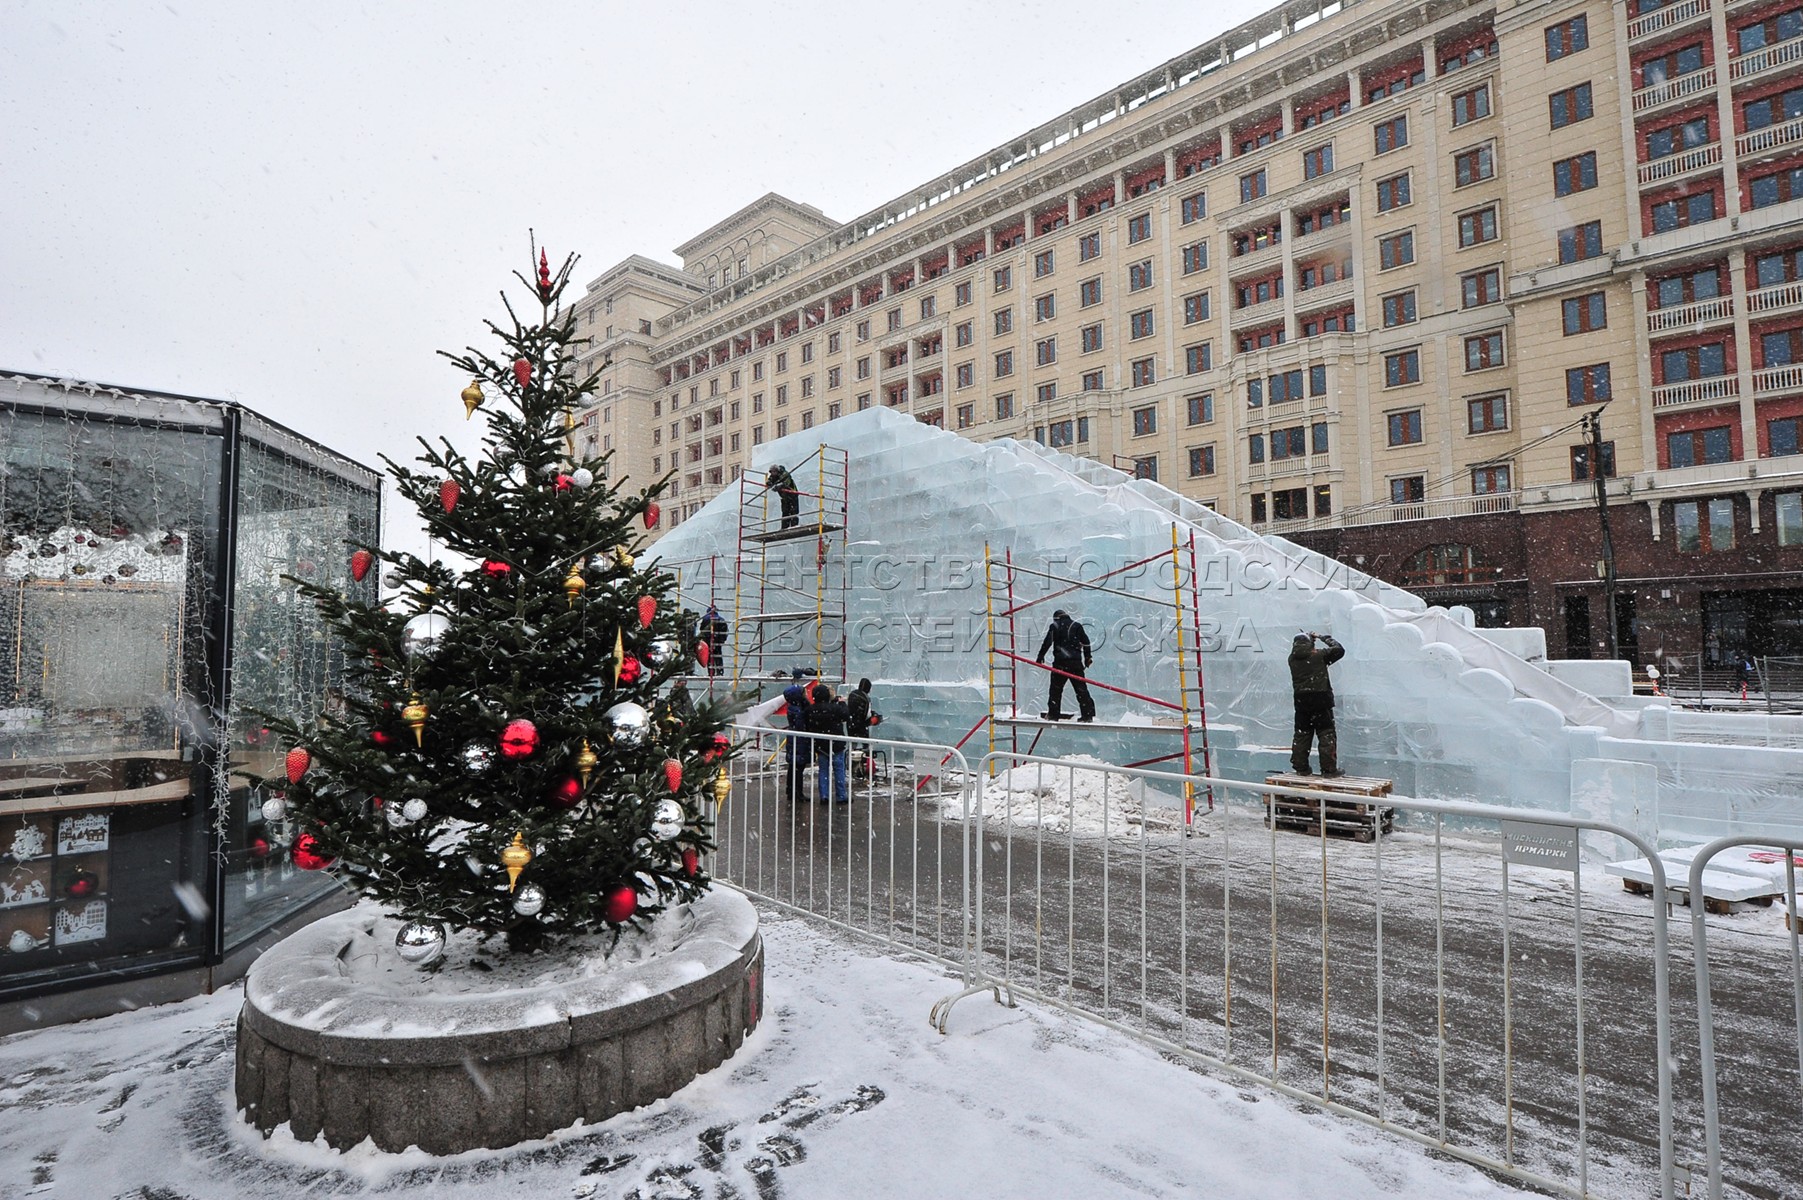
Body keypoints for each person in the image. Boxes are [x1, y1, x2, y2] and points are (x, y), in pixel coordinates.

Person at [1289, 631, 1346, 777]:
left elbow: (1305, 654)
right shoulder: (1319, 656)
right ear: (1311, 644)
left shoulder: (1292, 659)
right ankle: (1328, 770)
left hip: (1301, 701)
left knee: (1302, 734)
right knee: (1326, 734)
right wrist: (1323, 638)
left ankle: (1301, 768)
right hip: (1320, 700)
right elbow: (1339, 650)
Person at [1035, 609, 1096, 723]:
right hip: (1076, 664)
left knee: (1055, 691)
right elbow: (1086, 641)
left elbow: (1047, 642)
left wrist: (1040, 657)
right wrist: (1087, 657)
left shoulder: (1055, 626)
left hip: (1060, 664)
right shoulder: (1077, 626)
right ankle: (1087, 715)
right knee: (1081, 690)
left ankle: (1053, 715)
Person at [810, 684, 851, 804]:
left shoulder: (811, 710)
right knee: (839, 770)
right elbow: (846, 715)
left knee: (823, 770)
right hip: (836, 745)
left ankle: (824, 796)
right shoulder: (835, 708)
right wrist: (842, 703)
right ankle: (841, 796)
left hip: (821, 745)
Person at [781, 670, 813, 805]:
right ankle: (796, 792)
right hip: (799, 741)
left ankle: (792, 791)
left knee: (794, 767)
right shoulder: (798, 709)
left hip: (795, 741)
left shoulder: (794, 707)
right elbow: (801, 724)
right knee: (798, 768)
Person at [846, 677, 874, 777]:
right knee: (865, 746)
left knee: (852, 746)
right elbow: (867, 714)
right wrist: (873, 718)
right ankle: (864, 766)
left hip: (851, 724)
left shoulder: (852, 694)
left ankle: (850, 765)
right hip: (862, 725)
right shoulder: (866, 698)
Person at [763, 464, 801, 530]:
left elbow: (786, 482)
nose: (773, 473)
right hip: (784, 497)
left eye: (775, 472)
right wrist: (769, 484)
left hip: (792, 494)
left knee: (793, 512)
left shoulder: (784, 474)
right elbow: (769, 481)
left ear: (778, 471)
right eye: (772, 472)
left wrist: (779, 486)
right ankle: (784, 527)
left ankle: (794, 526)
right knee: (785, 512)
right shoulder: (773, 476)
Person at [701, 605, 729, 676]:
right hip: (718, 641)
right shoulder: (721, 619)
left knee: (710, 657)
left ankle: (711, 672)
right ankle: (720, 671)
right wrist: (722, 639)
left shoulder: (705, 618)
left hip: (708, 640)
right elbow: (725, 630)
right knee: (718, 655)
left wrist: (705, 639)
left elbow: (702, 630)